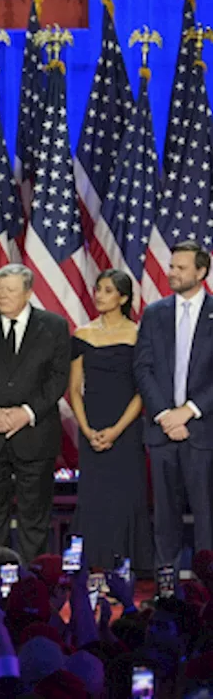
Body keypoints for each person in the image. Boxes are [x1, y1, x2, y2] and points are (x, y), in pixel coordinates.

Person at [0, 264, 70, 564]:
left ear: (29, 293)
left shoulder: (54, 326)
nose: (2, 295)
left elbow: (58, 378)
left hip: (35, 434)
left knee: (33, 516)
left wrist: (27, 412)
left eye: (10, 290)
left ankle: (30, 581)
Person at [135, 240, 214, 571]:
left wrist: (189, 410)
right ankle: (166, 588)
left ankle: (207, 590)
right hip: (162, 430)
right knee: (165, 514)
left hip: (202, 430)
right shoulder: (154, 314)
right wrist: (166, 414)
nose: (172, 273)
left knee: (207, 516)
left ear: (201, 271)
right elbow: (142, 367)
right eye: (171, 266)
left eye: (181, 268)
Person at [68, 269, 150, 572]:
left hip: (126, 428)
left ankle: (125, 567)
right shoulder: (82, 334)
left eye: (107, 290)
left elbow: (143, 391)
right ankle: (93, 566)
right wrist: (87, 429)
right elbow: (74, 388)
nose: (99, 295)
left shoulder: (139, 334)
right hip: (92, 426)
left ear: (123, 297)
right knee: (94, 498)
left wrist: (116, 430)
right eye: (98, 289)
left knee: (125, 497)